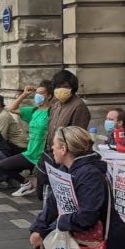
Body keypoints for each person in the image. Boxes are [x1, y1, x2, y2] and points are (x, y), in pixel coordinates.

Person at [35, 70, 91, 200]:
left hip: (65, 158)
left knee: (58, 197)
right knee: (43, 191)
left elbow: (76, 137)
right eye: (58, 86)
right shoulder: (55, 105)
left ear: (72, 88)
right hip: (51, 154)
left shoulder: (78, 106)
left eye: (65, 87)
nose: (61, 90)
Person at [0, 81, 53, 197]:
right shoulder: (33, 111)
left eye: (41, 93)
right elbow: (12, 109)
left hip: (43, 155)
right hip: (30, 153)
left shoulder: (52, 112)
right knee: (2, 165)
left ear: (49, 96)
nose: (37, 96)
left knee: (42, 195)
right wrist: (24, 94)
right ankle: (26, 184)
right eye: (36, 93)